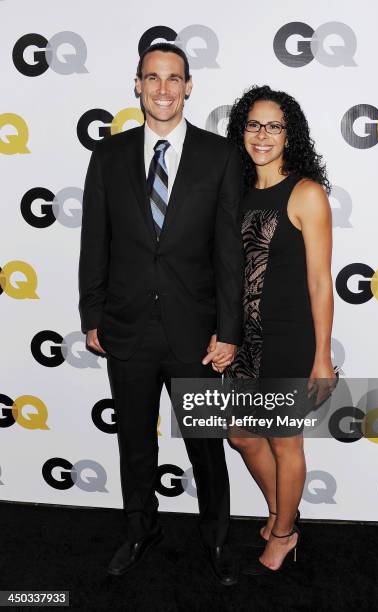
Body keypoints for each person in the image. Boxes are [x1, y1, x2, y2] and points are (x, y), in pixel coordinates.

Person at [78, 42, 244, 585]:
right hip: (126, 329)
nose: (164, 88)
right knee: (134, 443)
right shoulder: (108, 156)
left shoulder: (220, 157)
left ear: (189, 86)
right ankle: (139, 529)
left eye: (174, 78)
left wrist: (230, 330)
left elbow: (228, 253)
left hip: (196, 334)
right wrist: (92, 313)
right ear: (137, 85)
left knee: (205, 445)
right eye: (153, 77)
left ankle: (217, 539)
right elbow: (94, 243)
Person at [217, 85, 336, 574]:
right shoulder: (238, 193)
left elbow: (319, 283)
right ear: (241, 130)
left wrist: (322, 356)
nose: (262, 135)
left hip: (290, 339)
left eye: (274, 126)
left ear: (291, 135)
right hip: (246, 340)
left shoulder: (306, 193)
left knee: (286, 443)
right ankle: (281, 512)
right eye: (253, 124)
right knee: (242, 434)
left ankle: (283, 535)